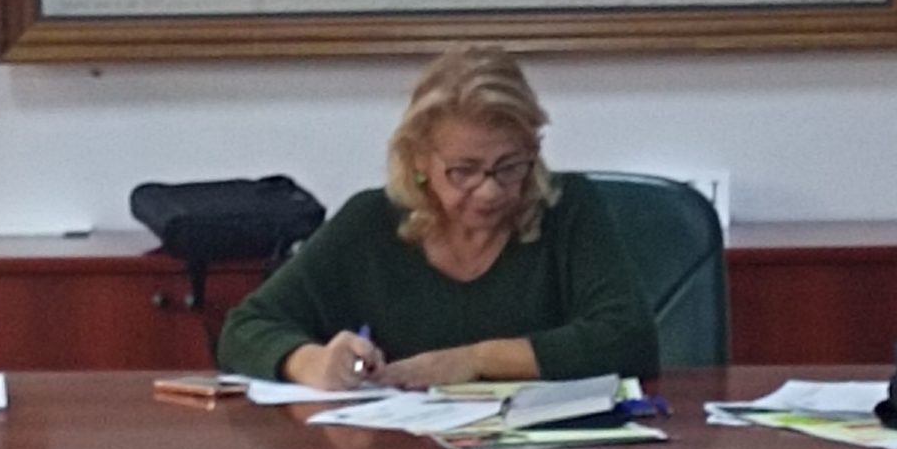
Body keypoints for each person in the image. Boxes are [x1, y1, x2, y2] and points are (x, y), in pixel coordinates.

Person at [217, 44, 658, 388]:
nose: (489, 191)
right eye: (464, 171)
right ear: (419, 161)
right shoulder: (371, 222)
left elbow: (628, 339)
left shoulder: (567, 207)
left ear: (534, 150)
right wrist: (310, 362)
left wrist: (474, 360)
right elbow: (246, 328)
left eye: (510, 166)